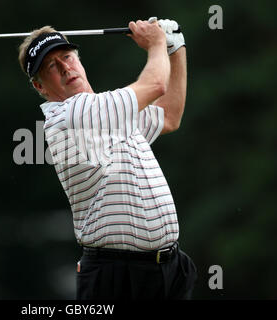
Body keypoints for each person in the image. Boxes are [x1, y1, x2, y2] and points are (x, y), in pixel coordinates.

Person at [18, 17, 197, 300]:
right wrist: (158, 43)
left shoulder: (106, 111)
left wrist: (176, 49)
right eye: (52, 66)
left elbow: (170, 116)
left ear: (79, 60)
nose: (65, 67)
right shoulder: (70, 115)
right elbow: (155, 86)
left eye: (67, 57)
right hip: (118, 275)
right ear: (40, 87)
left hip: (167, 269)